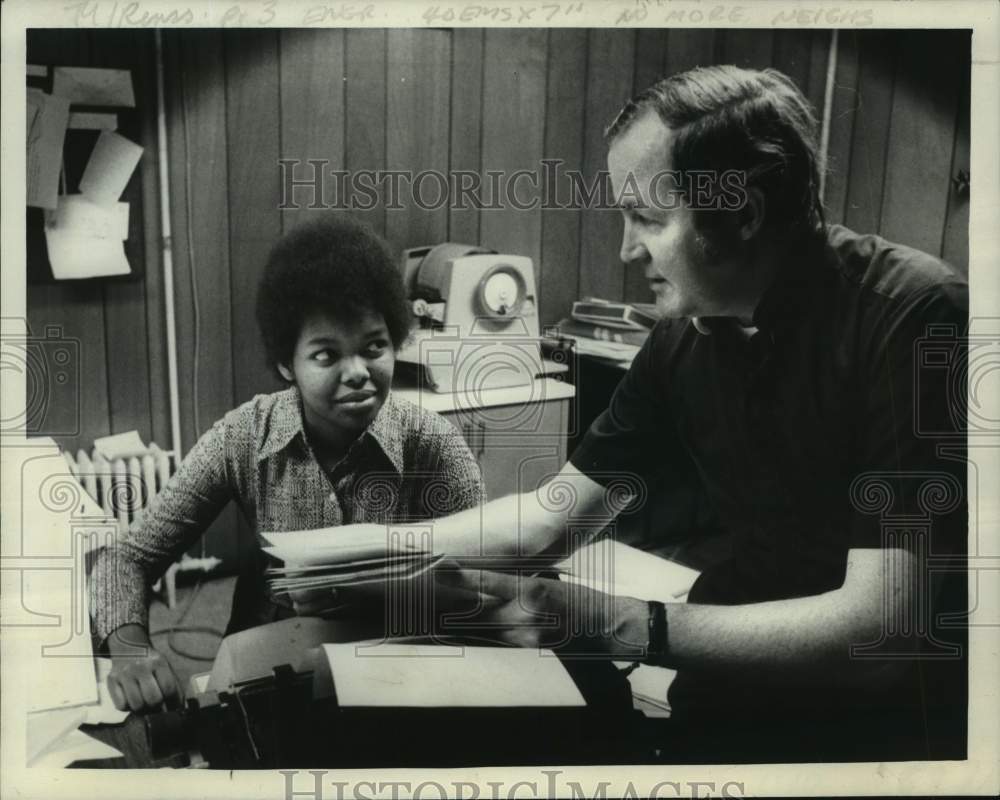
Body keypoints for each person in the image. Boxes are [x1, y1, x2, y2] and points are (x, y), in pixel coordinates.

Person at [348, 65, 967, 761]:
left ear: (744, 214)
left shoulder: (915, 318)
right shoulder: (686, 334)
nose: (625, 249)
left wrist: (620, 623)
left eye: (647, 218)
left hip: (885, 728)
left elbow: (879, 633)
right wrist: (359, 558)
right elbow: (550, 520)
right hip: (735, 683)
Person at [89, 215, 486, 713]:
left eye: (374, 347)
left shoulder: (433, 445)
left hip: (401, 671)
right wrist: (129, 650)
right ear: (286, 365)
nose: (358, 372)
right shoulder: (243, 436)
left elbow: (486, 588)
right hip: (270, 671)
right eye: (326, 356)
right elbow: (124, 560)